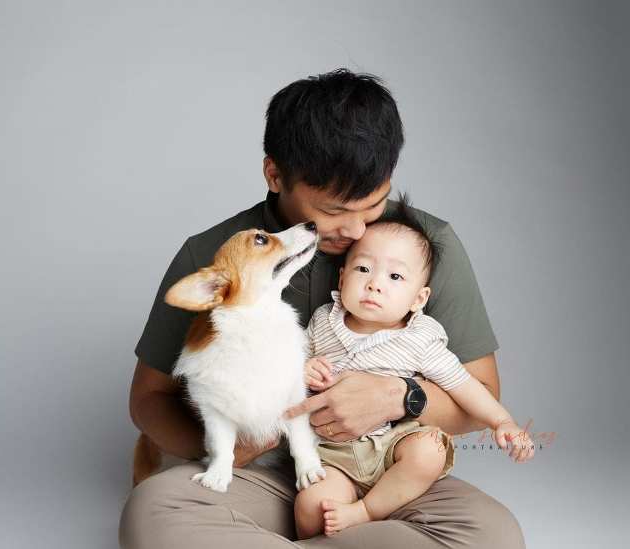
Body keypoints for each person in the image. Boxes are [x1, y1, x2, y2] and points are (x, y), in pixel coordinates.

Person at [120, 68, 527, 549]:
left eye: (373, 204)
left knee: (494, 536)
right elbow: (149, 399)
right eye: (334, 211)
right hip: (267, 477)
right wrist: (234, 450)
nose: (356, 231)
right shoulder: (216, 255)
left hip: (386, 472)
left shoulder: (422, 246)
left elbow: (481, 397)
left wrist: (401, 397)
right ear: (275, 174)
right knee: (154, 512)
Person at [294, 197, 534, 539]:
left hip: (395, 443)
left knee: (429, 450)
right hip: (333, 451)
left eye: (394, 276)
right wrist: (304, 368)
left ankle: (365, 510)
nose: (375, 283)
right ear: (343, 276)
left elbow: (463, 385)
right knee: (311, 505)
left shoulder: (420, 338)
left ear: (418, 299)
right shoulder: (323, 322)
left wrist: (502, 421)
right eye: (363, 269)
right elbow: (290, 363)